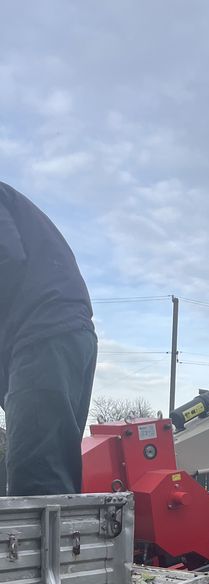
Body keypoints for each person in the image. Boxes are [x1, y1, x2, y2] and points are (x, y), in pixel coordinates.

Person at [0, 182, 97, 495]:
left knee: (37, 482)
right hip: (60, 333)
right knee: (49, 470)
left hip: (45, 332)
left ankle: (49, 545)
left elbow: (6, 259)